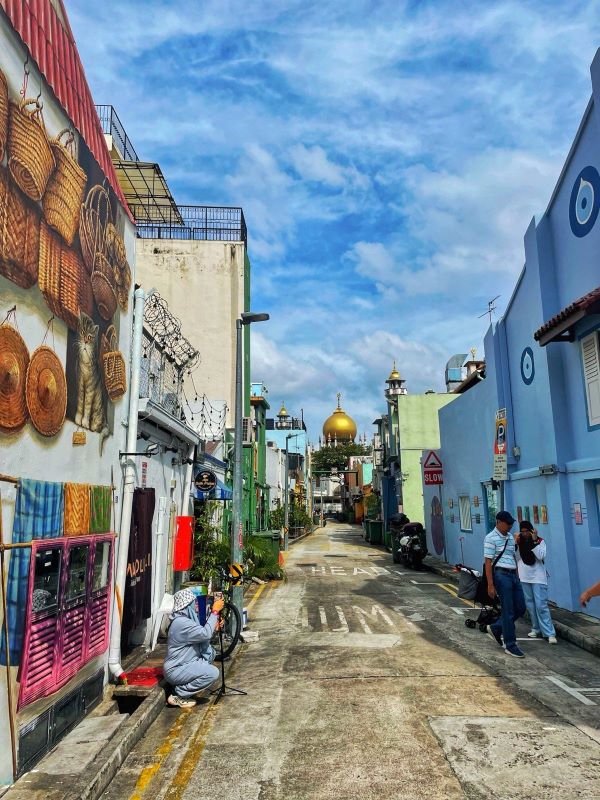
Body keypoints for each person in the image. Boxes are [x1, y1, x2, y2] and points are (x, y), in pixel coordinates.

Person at [163, 588, 224, 708]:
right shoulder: (181, 623)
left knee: (208, 660)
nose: (196, 606)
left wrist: (214, 627)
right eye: (193, 603)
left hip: (185, 665)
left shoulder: (184, 621)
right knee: (212, 673)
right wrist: (215, 612)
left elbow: (202, 635)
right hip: (176, 669)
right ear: (187, 605)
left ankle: (181, 691)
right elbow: (205, 634)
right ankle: (178, 694)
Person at [484, 510, 527, 658]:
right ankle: (510, 644)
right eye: (507, 523)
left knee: (520, 607)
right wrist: (490, 584)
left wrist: (517, 576)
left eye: (511, 524)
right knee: (508, 610)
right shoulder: (490, 538)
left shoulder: (510, 537)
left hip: (513, 575)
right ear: (498, 522)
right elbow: (488, 563)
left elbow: (512, 557)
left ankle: (496, 627)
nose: (509, 526)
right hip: (501, 575)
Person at [515, 520, 557, 644]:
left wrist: (533, 541)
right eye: (522, 532)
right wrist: (515, 542)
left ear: (532, 530)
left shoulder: (540, 541)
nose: (524, 534)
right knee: (530, 605)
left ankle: (549, 633)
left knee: (541, 605)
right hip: (524, 576)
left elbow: (541, 556)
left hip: (538, 577)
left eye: (526, 531)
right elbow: (516, 557)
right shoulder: (519, 542)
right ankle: (536, 628)